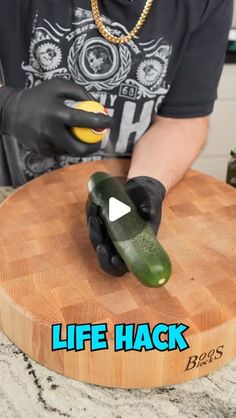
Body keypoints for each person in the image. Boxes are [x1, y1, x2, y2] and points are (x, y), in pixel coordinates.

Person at [0, 0, 233, 276]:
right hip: (16, 196)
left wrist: (149, 182)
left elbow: (183, 120)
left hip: (126, 180)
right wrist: (8, 107)